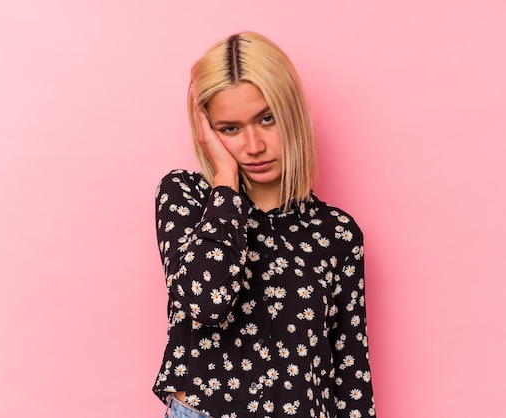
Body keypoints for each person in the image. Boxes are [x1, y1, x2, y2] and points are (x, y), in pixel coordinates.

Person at [153, 31, 376, 418]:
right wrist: (225, 179)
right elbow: (208, 302)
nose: (253, 146)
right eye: (230, 128)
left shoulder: (337, 234)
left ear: (292, 113)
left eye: (266, 119)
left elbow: (351, 374)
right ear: (207, 132)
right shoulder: (187, 198)